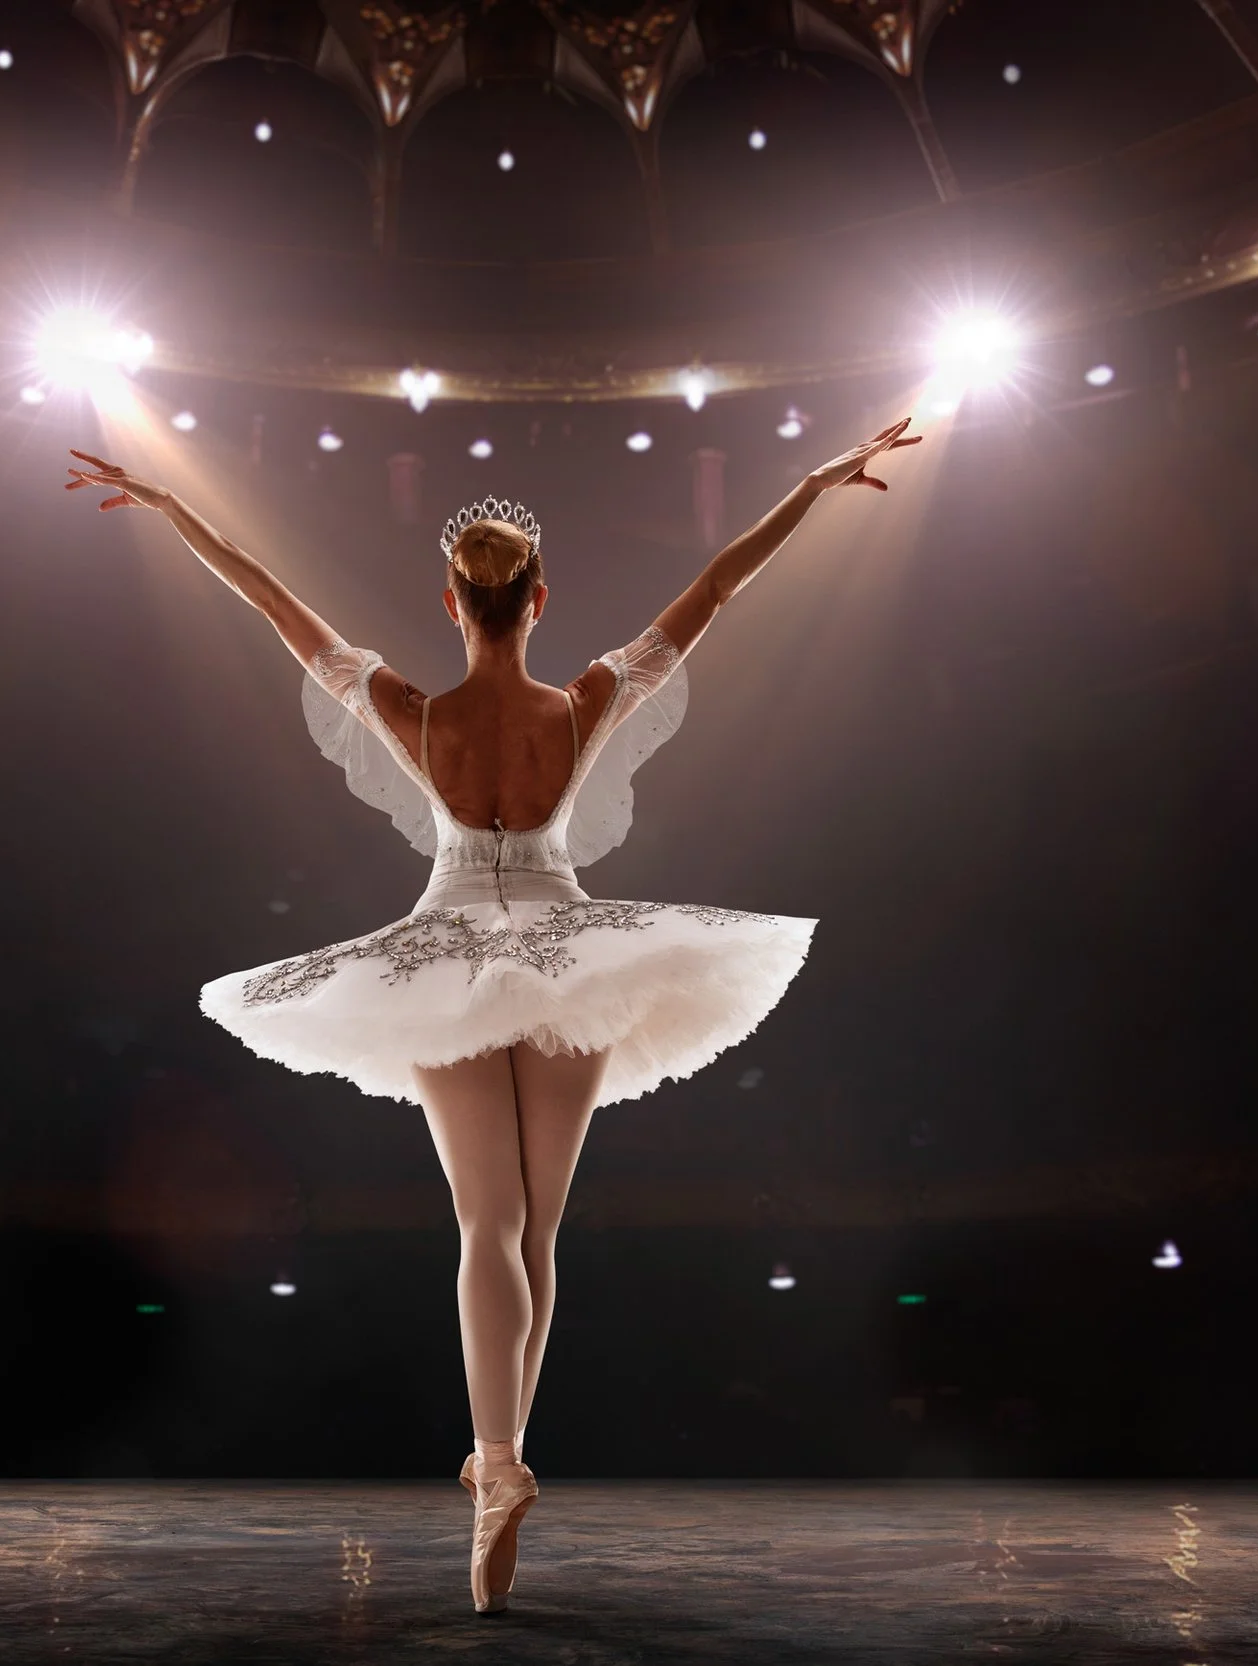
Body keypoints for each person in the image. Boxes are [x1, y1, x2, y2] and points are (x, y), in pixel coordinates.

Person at [63, 418, 921, 1612]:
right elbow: (719, 585)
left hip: (452, 948)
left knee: (483, 1226)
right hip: (569, 951)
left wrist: (172, 506)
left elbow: (273, 602)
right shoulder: (585, 704)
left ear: (455, 601)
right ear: (539, 599)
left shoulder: (412, 712)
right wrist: (813, 486)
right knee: (539, 1233)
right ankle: (505, 1451)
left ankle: (498, 1463)